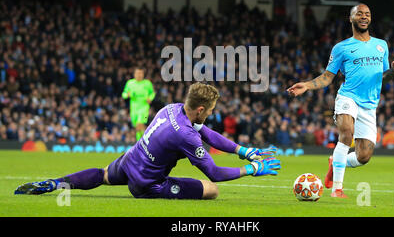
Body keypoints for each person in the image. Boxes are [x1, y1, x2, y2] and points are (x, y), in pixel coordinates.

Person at [14, 82, 281, 199]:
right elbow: (213, 173)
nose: (211, 114)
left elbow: (206, 132)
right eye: (210, 110)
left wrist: (243, 150)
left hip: (130, 161)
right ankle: (151, 190)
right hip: (147, 184)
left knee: (103, 174)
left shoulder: (172, 108)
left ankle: (55, 183)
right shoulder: (186, 135)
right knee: (211, 190)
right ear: (200, 109)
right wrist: (252, 169)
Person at [287, 4, 394, 198]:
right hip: (348, 97)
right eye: (359, 14)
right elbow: (327, 77)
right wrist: (307, 85)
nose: (364, 17)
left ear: (370, 18)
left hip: (370, 104)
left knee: (363, 157)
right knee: (346, 134)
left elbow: (382, 77)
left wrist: (392, 71)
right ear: (351, 18)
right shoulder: (341, 48)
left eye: (367, 14)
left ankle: (336, 161)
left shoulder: (381, 45)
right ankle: (337, 189)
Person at [122, 68, 155, 141]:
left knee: (139, 124)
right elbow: (123, 94)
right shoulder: (130, 83)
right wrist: (127, 94)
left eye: (141, 73)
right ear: (134, 74)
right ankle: (144, 142)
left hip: (144, 107)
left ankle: (141, 144)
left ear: (143, 74)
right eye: (137, 73)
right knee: (138, 128)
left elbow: (152, 93)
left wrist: (150, 98)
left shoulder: (147, 83)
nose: (139, 75)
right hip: (134, 109)